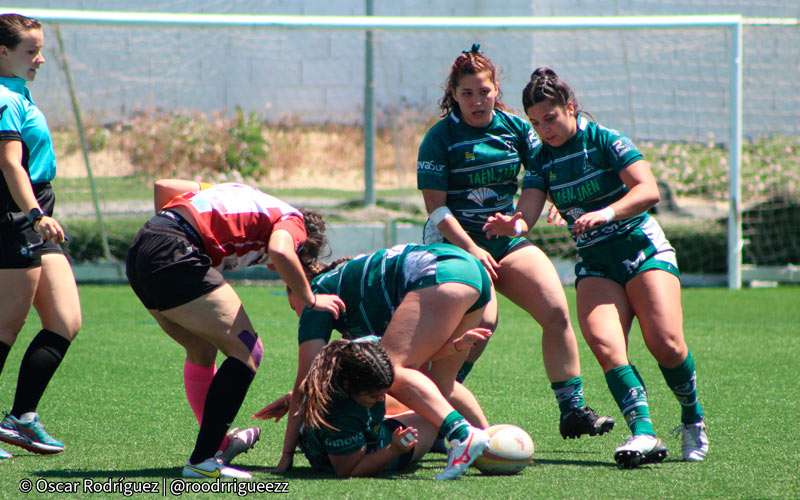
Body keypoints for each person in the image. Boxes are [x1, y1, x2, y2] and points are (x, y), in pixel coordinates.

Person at [485, 66, 709, 468]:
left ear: (570, 107)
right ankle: (643, 432)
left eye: (550, 118)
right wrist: (514, 223)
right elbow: (530, 207)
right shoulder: (541, 158)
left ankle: (692, 417)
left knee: (667, 344)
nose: (544, 130)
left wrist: (606, 212)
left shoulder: (606, 139)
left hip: (642, 251)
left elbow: (648, 190)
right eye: (535, 123)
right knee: (606, 346)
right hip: (596, 264)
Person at [417, 44, 613, 440]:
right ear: (454, 94)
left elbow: (544, 172)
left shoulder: (516, 128)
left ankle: (572, 411)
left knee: (556, 310)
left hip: (503, 241)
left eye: (484, 91)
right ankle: (432, 402)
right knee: (483, 322)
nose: (477, 101)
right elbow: (436, 209)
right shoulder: (439, 138)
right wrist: (471, 249)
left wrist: (549, 203)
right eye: (467, 93)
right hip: (454, 245)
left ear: (496, 89)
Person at [126, 179, 346, 479]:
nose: (272, 270)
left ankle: (216, 445)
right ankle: (202, 461)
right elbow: (281, 252)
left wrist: (167, 241)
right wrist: (310, 297)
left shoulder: (242, 194)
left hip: (143, 247)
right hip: (175, 250)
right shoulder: (292, 221)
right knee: (249, 350)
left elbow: (164, 187)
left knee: (201, 349)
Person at [256, 242, 496, 480]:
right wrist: (454, 347)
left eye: (293, 307)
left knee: (391, 370)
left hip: (441, 273)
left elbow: (305, 381)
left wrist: (286, 454)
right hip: (472, 274)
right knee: (440, 385)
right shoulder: (356, 301)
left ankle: (463, 434)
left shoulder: (316, 297)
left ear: (297, 291)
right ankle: (489, 446)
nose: (297, 313)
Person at [0, 13, 81, 460]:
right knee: (5, 327)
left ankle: (22, 418)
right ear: (2, 52)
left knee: (65, 321)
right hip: (17, 218)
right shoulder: (2, 96)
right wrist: (33, 215)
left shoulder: (17, 91)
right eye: (31, 51)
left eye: (40, 49)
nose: (41, 59)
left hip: (37, 215)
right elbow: (10, 164)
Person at [289, 339, 435, 477]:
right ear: (350, 387)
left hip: (363, 430)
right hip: (372, 451)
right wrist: (394, 449)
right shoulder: (341, 416)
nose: (380, 399)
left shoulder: (343, 375)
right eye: (373, 396)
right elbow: (348, 471)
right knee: (430, 421)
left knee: (422, 405)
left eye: (384, 393)